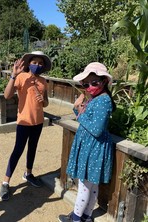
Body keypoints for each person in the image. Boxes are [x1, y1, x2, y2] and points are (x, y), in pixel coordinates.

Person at [58, 62, 116, 222]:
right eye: (85, 84)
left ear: (104, 81)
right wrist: (77, 109)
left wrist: (80, 115)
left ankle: (76, 218)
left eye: (94, 82)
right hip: (90, 147)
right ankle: (86, 216)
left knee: (85, 185)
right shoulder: (96, 98)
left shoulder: (103, 101)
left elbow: (96, 129)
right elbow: (85, 117)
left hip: (93, 148)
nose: (89, 86)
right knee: (91, 185)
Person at [0, 51, 52, 201]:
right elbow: (7, 95)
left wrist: (43, 100)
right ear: (29, 64)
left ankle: (28, 174)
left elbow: (46, 103)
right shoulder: (21, 77)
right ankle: (5, 182)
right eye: (34, 62)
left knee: (33, 148)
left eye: (40, 63)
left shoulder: (43, 81)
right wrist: (13, 75)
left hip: (38, 122)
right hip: (24, 122)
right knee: (18, 150)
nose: (37, 65)